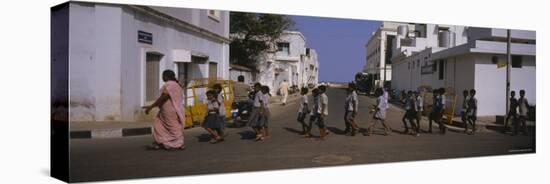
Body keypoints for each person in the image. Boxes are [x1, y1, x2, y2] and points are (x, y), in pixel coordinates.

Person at [143, 70, 185, 150]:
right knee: (159, 124)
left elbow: (163, 97)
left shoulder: (169, 85)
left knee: (173, 127)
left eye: (163, 76)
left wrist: (151, 106)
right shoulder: (177, 85)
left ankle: (178, 143)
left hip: (169, 110)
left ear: (166, 76)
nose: (162, 77)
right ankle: (160, 142)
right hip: (173, 109)